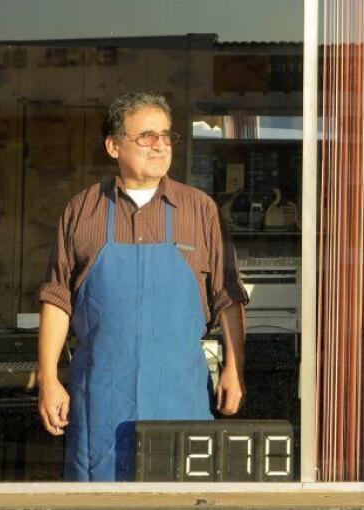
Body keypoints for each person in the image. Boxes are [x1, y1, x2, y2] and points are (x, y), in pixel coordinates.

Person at [35, 91, 248, 481]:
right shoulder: (82, 210)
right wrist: (49, 379)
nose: (160, 145)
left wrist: (235, 370)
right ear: (114, 145)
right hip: (101, 396)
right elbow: (57, 299)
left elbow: (228, 297)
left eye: (166, 136)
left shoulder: (199, 210)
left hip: (179, 392)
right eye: (146, 136)